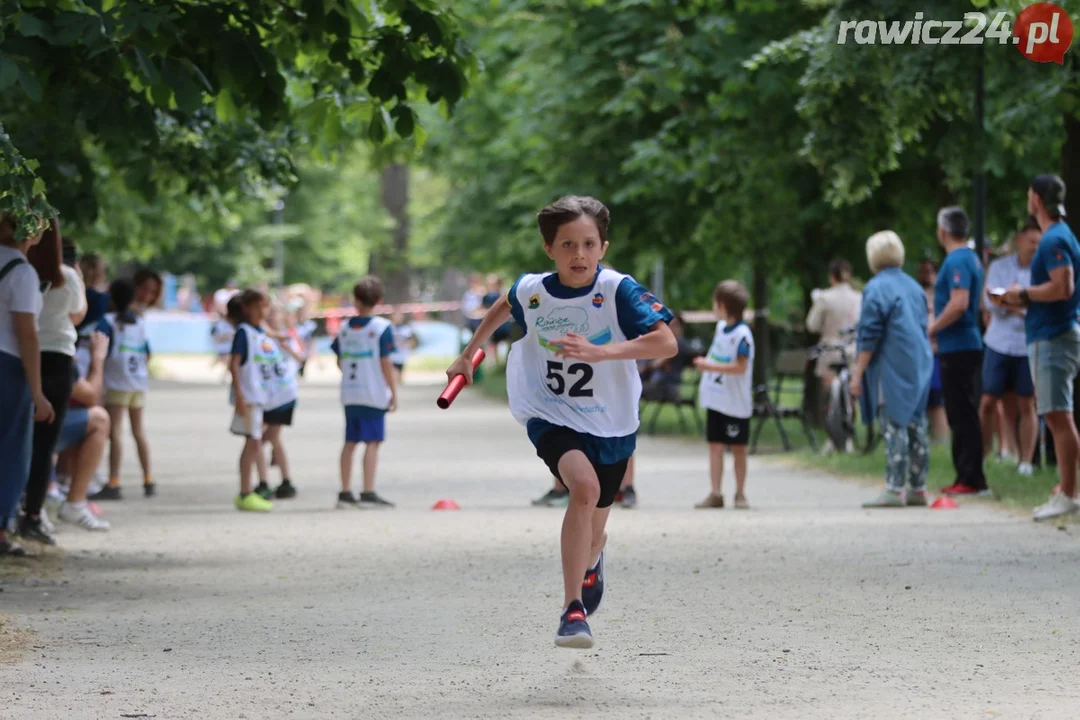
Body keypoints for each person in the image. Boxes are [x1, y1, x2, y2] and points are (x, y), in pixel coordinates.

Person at [445, 195, 676, 649]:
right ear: (549, 248)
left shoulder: (617, 291)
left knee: (596, 523)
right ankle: (572, 611)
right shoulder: (533, 289)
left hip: (611, 420)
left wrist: (603, 352)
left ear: (603, 247)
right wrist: (468, 353)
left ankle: (593, 559)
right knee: (583, 489)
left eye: (589, 244)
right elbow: (506, 306)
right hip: (548, 409)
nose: (579, 255)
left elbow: (665, 342)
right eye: (568, 245)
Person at [1000, 174, 1080, 521]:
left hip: (1054, 337)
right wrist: (1016, 301)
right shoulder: (1060, 235)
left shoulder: (1053, 240)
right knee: (1056, 414)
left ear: (1035, 199)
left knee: (1058, 416)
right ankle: (1068, 489)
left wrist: (1024, 294)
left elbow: (1063, 287)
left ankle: (1068, 494)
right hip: (1051, 332)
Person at [850, 231, 934, 507]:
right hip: (919, 360)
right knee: (916, 423)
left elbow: (869, 334)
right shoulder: (913, 286)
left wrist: (857, 372)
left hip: (892, 363)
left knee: (893, 423)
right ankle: (918, 487)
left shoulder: (876, 288)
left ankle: (894, 488)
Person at [18, 221, 86, 545]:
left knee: (21, 437)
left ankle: (15, 506)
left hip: (24, 357)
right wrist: (81, 284)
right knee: (45, 444)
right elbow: (77, 313)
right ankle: (32, 513)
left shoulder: (23, 273)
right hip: (58, 358)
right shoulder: (67, 276)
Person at [0, 213, 53, 557]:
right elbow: (27, 334)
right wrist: (37, 391)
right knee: (11, 450)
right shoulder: (22, 272)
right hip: (7, 366)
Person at [929, 206, 988, 497]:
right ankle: (969, 475)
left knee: (961, 412)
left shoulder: (957, 260)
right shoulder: (972, 259)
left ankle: (970, 477)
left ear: (943, 231)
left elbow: (960, 302)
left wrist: (933, 327)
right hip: (965, 343)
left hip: (958, 346)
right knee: (963, 410)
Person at [332, 276, 398, 509]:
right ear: (378, 300)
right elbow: (385, 363)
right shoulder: (382, 328)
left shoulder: (343, 329)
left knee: (350, 441)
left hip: (350, 392)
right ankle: (368, 491)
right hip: (373, 392)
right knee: (372, 441)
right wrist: (393, 390)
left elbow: (339, 361)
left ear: (355, 300)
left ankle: (345, 491)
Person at [980, 220, 1040, 475]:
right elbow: (991, 301)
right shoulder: (999, 267)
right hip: (999, 342)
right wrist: (1022, 305)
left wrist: (1013, 303)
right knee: (989, 400)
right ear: (1020, 240)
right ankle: (983, 454)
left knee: (1027, 403)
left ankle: (1025, 461)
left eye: (1039, 243)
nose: (1035, 247)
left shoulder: (1044, 271)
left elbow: (1042, 307)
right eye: (1032, 242)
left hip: (1027, 346)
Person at [693, 281, 754, 510]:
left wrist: (710, 368)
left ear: (723, 305)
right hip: (717, 399)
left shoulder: (742, 335)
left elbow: (741, 367)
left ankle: (740, 492)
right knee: (715, 446)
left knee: (738, 447)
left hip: (735, 403)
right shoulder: (720, 329)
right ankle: (715, 492)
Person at [94, 278, 153, 501]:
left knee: (115, 432)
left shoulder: (106, 321)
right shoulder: (138, 322)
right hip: (138, 381)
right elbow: (147, 353)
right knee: (139, 431)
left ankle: (114, 482)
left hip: (118, 382)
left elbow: (101, 351)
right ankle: (148, 479)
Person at [54, 330, 111, 531]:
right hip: (34, 430)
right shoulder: (53, 339)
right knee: (99, 419)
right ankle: (74, 502)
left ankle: (55, 488)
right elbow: (91, 396)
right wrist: (98, 358)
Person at [228, 290, 278, 512]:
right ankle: (245, 491)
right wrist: (239, 395)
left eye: (266, 306)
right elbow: (234, 364)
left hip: (260, 397)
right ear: (246, 308)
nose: (263, 311)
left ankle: (248, 490)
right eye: (258, 306)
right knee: (252, 442)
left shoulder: (260, 332)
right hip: (248, 398)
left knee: (254, 442)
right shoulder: (244, 333)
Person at [253, 300, 300, 501]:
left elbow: (300, 357)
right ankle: (282, 480)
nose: (272, 315)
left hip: (283, 394)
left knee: (266, 438)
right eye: (268, 312)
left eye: (275, 312)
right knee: (271, 438)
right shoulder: (257, 335)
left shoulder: (285, 337)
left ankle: (277, 481)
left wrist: (285, 345)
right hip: (266, 396)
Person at [916, 259, 949, 444]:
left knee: (937, 401)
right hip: (919, 353)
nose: (925, 275)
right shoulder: (916, 294)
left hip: (936, 352)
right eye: (922, 271)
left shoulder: (942, 295)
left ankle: (941, 440)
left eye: (928, 271)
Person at [388, 308, 418, 384]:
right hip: (392, 355)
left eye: (400, 316)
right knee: (394, 374)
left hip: (401, 355)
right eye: (396, 316)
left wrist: (407, 345)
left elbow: (412, 341)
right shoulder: (389, 328)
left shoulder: (406, 329)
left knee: (400, 377)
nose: (398, 318)